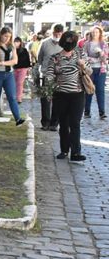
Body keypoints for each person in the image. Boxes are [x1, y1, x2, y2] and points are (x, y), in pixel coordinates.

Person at [45, 31, 88, 163]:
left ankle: (76, 152)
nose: (69, 44)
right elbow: (50, 75)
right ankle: (64, 150)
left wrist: (83, 65)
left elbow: (89, 71)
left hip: (77, 94)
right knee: (63, 123)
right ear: (63, 42)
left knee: (75, 123)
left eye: (72, 41)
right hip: (61, 95)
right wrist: (49, 88)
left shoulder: (80, 55)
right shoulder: (55, 58)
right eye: (67, 41)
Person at [0, 28, 25, 127]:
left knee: (12, 97)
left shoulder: (12, 46)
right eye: (5, 36)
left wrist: (3, 63)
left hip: (8, 74)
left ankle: (18, 119)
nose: (7, 38)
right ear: (0, 35)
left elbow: (15, 61)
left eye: (9, 36)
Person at [37, 25, 64, 131]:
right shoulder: (44, 43)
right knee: (45, 99)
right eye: (55, 33)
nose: (57, 35)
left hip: (59, 75)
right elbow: (39, 58)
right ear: (52, 32)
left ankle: (54, 123)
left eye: (59, 33)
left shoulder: (65, 44)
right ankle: (45, 122)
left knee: (57, 99)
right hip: (45, 74)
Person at [82, 26, 107, 119]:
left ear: (100, 33)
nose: (95, 34)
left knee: (100, 91)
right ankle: (87, 111)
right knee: (89, 90)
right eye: (93, 32)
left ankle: (102, 112)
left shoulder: (103, 44)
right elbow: (84, 57)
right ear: (91, 33)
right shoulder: (87, 44)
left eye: (97, 32)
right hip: (90, 70)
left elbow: (105, 59)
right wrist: (96, 59)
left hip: (101, 70)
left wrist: (101, 53)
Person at [12, 37, 32, 105]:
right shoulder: (12, 50)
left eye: (18, 41)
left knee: (20, 83)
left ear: (20, 42)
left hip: (23, 68)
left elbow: (27, 59)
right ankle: (14, 97)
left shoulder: (24, 50)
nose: (16, 43)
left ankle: (19, 98)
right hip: (15, 68)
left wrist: (28, 68)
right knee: (14, 83)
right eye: (15, 41)